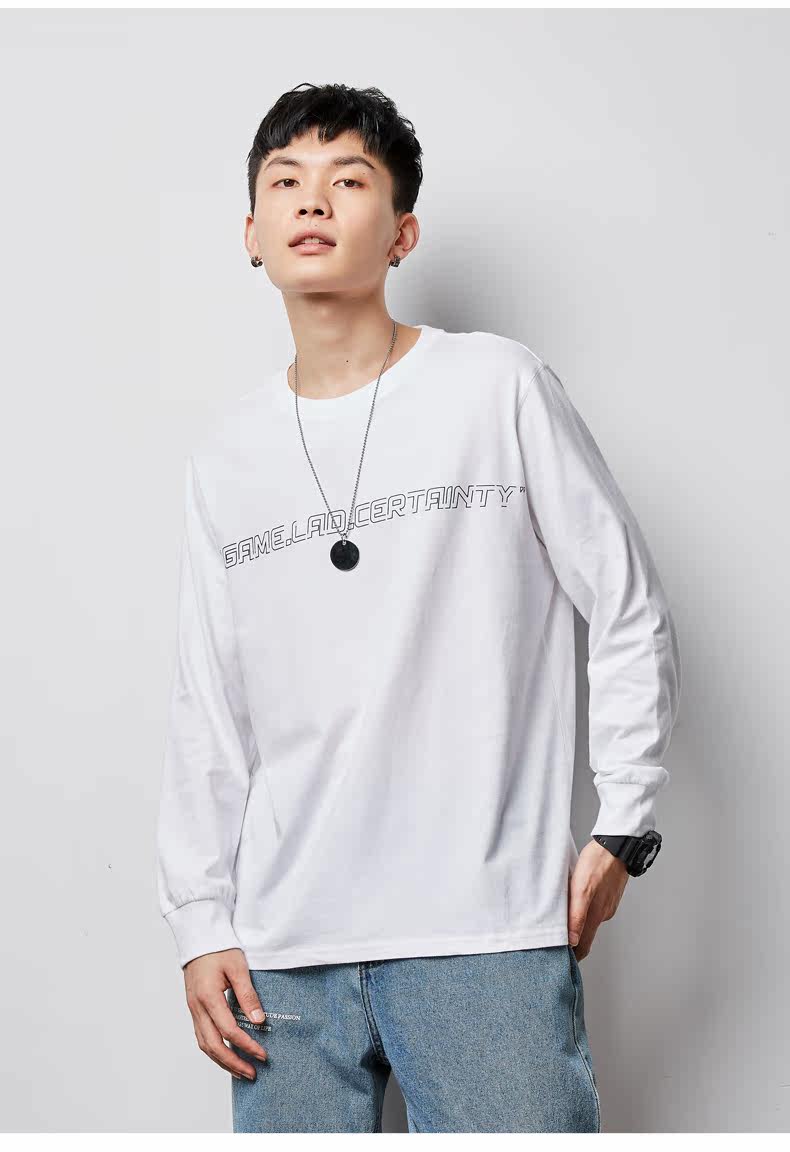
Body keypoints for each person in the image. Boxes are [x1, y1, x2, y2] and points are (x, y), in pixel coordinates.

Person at [156, 82, 682, 1134]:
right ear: (251, 234)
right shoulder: (227, 457)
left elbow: (626, 606)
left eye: (348, 180)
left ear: (402, 233)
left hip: (481, 934)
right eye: (285, 182)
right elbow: (209, 709)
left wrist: (624, 820)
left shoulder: (497, 388)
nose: (314, 201)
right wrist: (199, 920)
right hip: (283, 952)